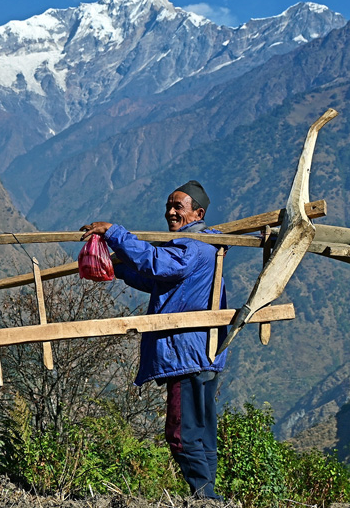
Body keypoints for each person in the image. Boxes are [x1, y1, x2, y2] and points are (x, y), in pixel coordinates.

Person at [80, 180, 228, 500]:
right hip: (204, 354)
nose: (170, 212)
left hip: (188, 355)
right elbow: (161, 282)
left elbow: (159, 264)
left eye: (178, 207)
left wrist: (115, 234)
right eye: (168, 206)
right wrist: (117, 269)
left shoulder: (193, 245)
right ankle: (209, 495)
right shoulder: (202, 246)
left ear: (198, 213)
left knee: (182, 433)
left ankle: (205, 497)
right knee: (201, 432)